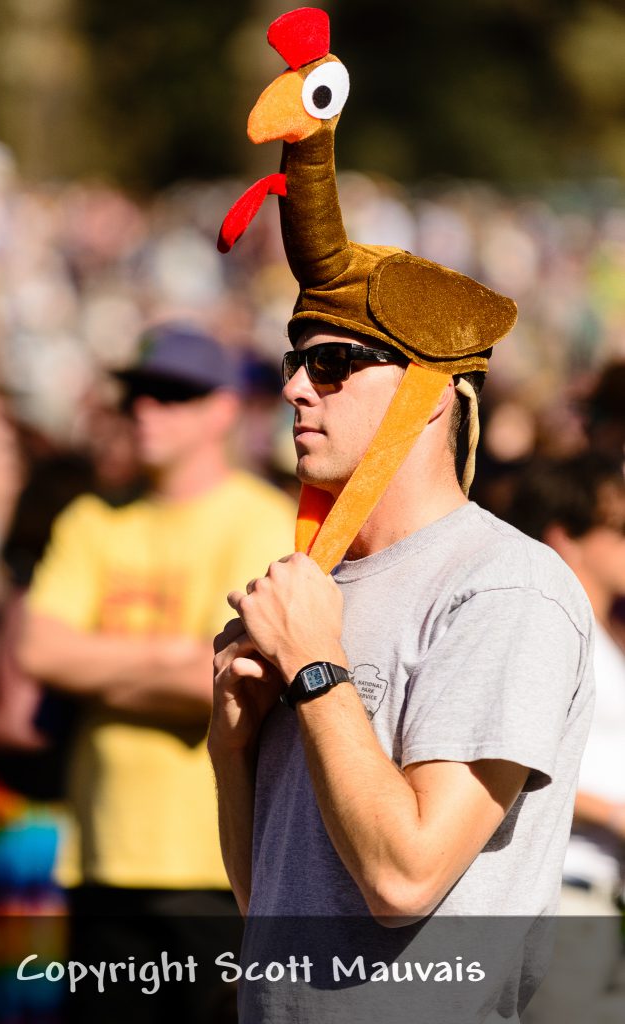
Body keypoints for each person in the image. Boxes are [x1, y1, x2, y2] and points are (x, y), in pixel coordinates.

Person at [209, 9, 594, 1023]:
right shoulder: (313, 592)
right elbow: (269, 909)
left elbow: (405, 877)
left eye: (334, 365)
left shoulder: (506, 588)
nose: (298, 388)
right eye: (295, 360)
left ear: (430, 395)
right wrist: (230, 744)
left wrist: (319, 671)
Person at [18, 322, 296, 1023]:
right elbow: (37, 652)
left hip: (215, 867)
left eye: (173, 395)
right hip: (101, 858)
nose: (146, 409)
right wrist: (174, 656)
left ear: (225, 410)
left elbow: (236, 677)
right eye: (137, 393)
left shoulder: (262, 518)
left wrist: (98, 665)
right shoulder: (91, 519)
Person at [508, 453, 625, 1023]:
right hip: (558, 897)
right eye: (620, 529)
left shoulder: (601, 636)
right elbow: (514, 765)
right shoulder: (552, 628)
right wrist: (615, 815)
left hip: (597, 898)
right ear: (566, 536)